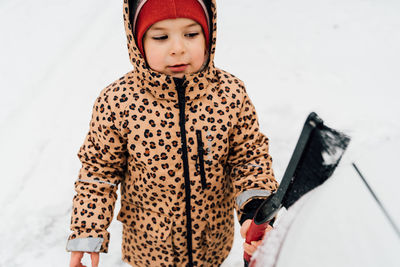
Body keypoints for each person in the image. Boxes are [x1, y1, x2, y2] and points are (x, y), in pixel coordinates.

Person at [67, 0, 279, 266]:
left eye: (191, 34)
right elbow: (98, 173)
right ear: (137, 41)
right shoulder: (118, 102)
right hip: (149, 249)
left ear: (209, 35)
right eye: (161, 37)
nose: (178, 49)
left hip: (211, 243)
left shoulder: (229, 94)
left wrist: (254, 211)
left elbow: (249, 159)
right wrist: (88, 233)